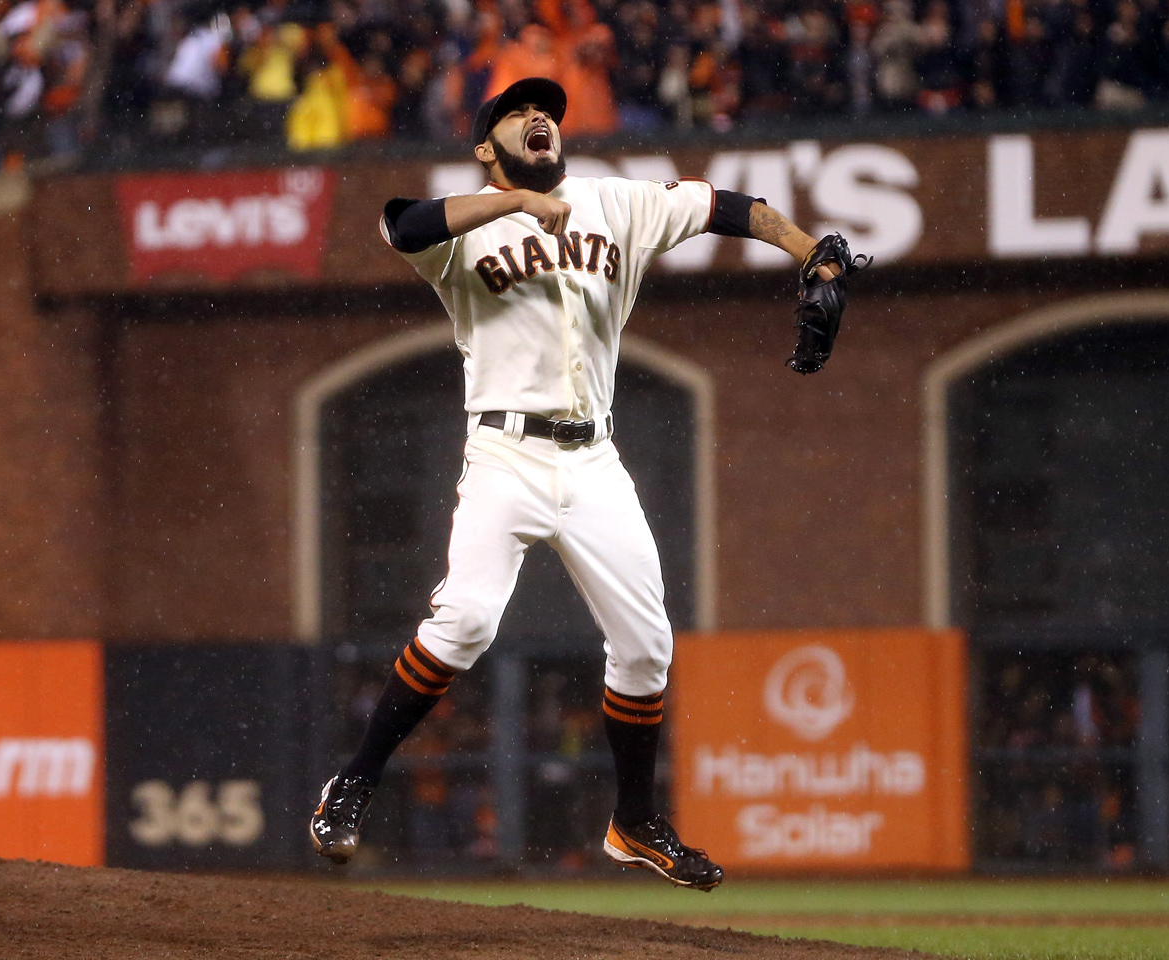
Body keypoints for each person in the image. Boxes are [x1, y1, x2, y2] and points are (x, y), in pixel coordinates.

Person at [309, 76, 840, 891]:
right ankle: (354, 783)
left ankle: (632, 823)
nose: (539, 118)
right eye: (518, 113)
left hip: (594, 458)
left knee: (647, 646)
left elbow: (726, 206)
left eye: (547, 110)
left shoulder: (614, 204)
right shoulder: (461, 230)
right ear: (488, 149)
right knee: (466, 625)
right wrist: (511, 206)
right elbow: (397, 222)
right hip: (503, 454)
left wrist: (811, 253)